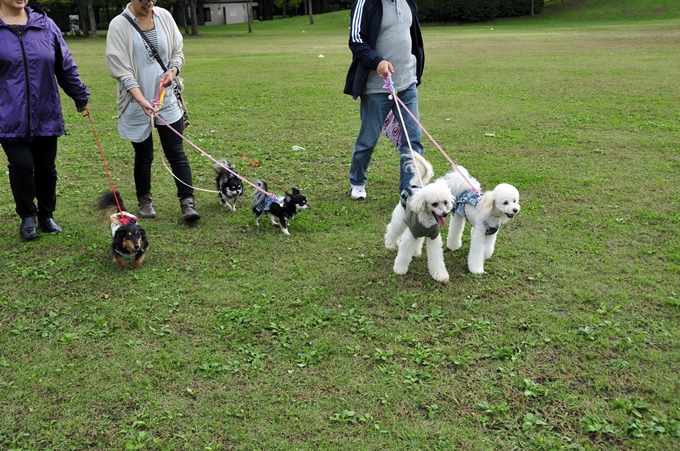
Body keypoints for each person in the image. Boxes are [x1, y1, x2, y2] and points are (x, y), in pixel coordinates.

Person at [0, 0, 90, 240]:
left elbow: (65, 65)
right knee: (21, 165)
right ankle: (28, 216)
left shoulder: (45, 25)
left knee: (46, 168)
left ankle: (46, 215)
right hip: (9, 114)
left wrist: (80, 95)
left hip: (45, 111)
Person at [106, 0, 200, 223]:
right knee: (144, 155)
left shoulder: (164, 17)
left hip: (165, 99)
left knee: (176, 153)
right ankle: (145, 200)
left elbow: (177, 52)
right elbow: (121, 69)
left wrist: (173, 70)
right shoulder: (119, 25)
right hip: (135, 101)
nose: (149, 3)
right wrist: (140, 100)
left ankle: (188, 202)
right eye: (144, 0)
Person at [344, 0, 425, 200]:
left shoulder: (408, 2)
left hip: (407, 83)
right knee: (368, 140)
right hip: (375, 87)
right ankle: (357, 181)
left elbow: (413, 38)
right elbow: (356, 40)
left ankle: (410, 188)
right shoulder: (366, 3)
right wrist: (377, 61)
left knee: (413, 140)